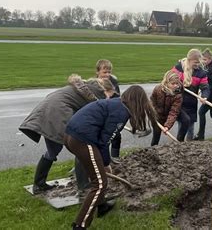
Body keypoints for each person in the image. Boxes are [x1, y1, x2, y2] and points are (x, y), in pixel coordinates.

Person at [64, 85, 156, 229]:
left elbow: (103, 137)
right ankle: (80, 225)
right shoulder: (121, 112)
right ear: (138, 102)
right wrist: (106, 163)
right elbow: (104, 141)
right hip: (83, 140)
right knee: (100, 183)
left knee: (98, 176)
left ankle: (102, 206)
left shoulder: (116, 104)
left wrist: (103, 163)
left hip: (71, 136)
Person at [19, 74, 106, 194]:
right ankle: (84, 185)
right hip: (58, 114)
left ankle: (39, 184)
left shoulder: (77, 88)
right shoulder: (94, 94)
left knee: (52, 151)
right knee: (82, 147)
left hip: (47, 111)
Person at [171, 49, 209, 141]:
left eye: (199, 62)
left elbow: (205, 87)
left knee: (190, 126)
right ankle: (179, 144)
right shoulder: (178, 68)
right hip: (179, 101)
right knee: (183, 123)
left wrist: (204, 96)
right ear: (189, 60)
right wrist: (175, 87)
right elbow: (170, 79)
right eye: (195, 62)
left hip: (191, 103)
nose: (197, 64)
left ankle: (189, 145)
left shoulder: (201, 73)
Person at [95, 59, 122, 161]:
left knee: (116, 135)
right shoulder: (94, 84)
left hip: (110, 113)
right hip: (98, 114)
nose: (107, 75)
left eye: (109, 72)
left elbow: (117, 99)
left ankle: (115, 157)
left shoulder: (114, 83)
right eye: (104, 72)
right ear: (97, 72)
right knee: (96, 138)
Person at [150, 71, 183, 146]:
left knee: (186, 120)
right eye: (173, 84)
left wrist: (167, 126)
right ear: (166, 83)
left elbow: (174, 112)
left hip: (168, 113)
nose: (175, 86)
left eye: (177, 83)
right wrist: (152, 113)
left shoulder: (178, 95)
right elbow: (152, 101)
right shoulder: (157, 89)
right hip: (158, 115)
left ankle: (180, 144)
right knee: (156, 135)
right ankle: (153, 150)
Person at [195, 48, 212, 141]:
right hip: (211, 94)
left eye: (205, 60)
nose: (203, 61)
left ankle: (201, 135)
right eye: (202, 59)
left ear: (210, 59)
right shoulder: (208, 67)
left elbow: (207, 77)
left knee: (201, 112)